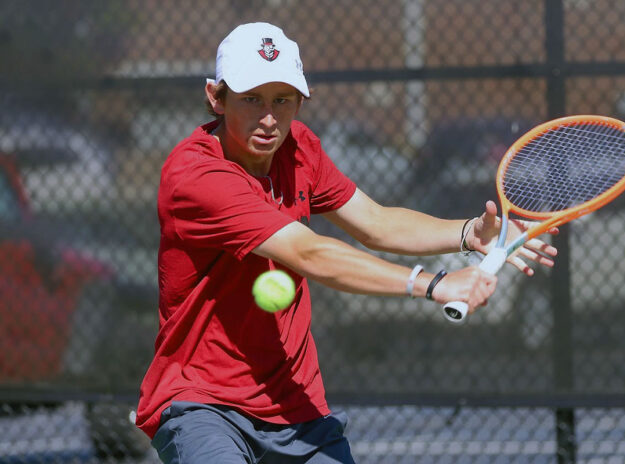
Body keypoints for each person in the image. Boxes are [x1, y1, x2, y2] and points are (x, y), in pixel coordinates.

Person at [136, 22, 557, 464]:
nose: (268, 117)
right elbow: (309, 253)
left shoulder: (299, 148)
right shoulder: (197, 177)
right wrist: (435, 283)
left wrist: (468, 233)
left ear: (300, 100)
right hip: (204, 404)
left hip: (297, 407)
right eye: (251, 99)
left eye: (282, 100)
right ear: (215, 97)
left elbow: (375, 223)